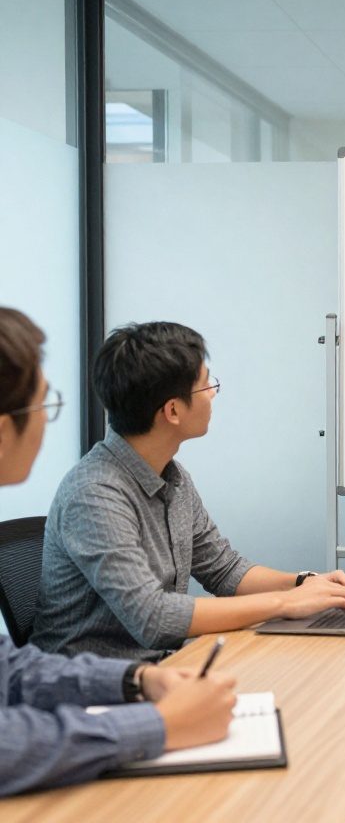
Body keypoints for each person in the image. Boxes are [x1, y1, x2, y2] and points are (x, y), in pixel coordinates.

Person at [0, 307, 237, 794]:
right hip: (85, 726)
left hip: (133, 678)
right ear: (5, 430)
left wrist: (137, 682)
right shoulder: (94, 489)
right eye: (47, 406)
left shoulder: (175, 477)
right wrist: (159, 726)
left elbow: (13, 671)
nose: (49, 424)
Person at [30, 321, 345, 662]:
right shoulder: (95, 494)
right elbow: (154, 618)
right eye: (206, 385)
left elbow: (224, 569)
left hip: (160, 667)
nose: (213, 393)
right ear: (172, 410)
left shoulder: (172, 477)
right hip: (88, 687)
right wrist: (285, 604)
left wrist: (303, 583)